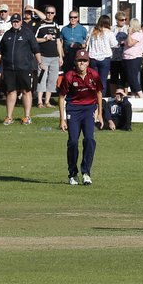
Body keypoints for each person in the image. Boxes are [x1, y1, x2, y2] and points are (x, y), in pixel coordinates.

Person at [59, 49, 103, 185]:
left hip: (89, 109)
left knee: (89, 139)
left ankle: (86, 173)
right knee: (73, 142)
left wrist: (100, 113)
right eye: (79, 61)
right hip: (74, 109)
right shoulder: (69, 76)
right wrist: (62, 119)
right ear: (75, 62)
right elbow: (61, 97)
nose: (82, 63)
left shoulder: (94, 75)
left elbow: (99, 93)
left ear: (88, 62)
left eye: (84, 61)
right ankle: (72, 174)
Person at [0, 12, 41, 125]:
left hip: (24, 68)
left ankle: (27, 116)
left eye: (17, 21)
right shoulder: (7, 34)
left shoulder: (27, 33)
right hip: (9, 68)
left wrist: (40, 62)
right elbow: (0, 51)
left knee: (26, 91)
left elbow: (35, 48)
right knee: (11, 91)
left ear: (21, 22)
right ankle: (9, 117)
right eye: (13, 21)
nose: (15, 23)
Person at [34, 6, 62, 108]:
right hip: (43, 56)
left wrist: (61, 57)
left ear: (55, 14)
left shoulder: (56, 25)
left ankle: (47, 101)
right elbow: (34, 39)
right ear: (45, 13)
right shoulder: (39, 25)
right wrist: (45, 39)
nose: (50, 14)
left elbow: (58, 41)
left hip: (55, 57)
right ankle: (40, 102)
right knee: (42, 78)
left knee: (52, 79)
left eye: (52, 13)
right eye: (48, 12)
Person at [87, 15, 119, 98]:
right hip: (105, 58)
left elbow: (87, 42)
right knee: (102, 80)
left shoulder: (93, 30)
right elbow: (114, 44)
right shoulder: (109, 32)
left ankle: (93, 97)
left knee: (94, 80)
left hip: (93, 57)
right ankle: (101, 98)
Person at [120, 17, 143, 97]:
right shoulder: (132, 35)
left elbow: (130, 43)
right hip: (127, 58)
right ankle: (134, 94)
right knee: (129, 79)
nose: (128, 27)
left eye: (130, 25)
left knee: (133, 78)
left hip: (134, 58)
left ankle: (141, 96)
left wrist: (129, 33)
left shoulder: (138, 34)